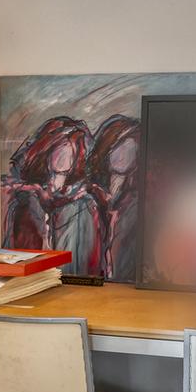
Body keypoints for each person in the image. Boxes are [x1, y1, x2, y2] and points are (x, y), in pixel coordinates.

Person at [1, 115, 101, 274]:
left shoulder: (83, 204)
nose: (64, 154)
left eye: (70, 148)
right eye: (61, 146)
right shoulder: (22, 196)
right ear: (47, 148)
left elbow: (87, 260)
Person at [85, 114, 142, 280]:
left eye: (131, 149)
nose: (124, 155)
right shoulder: (88, 195)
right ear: (106, 148)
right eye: (118, 148)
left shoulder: (135, 201)